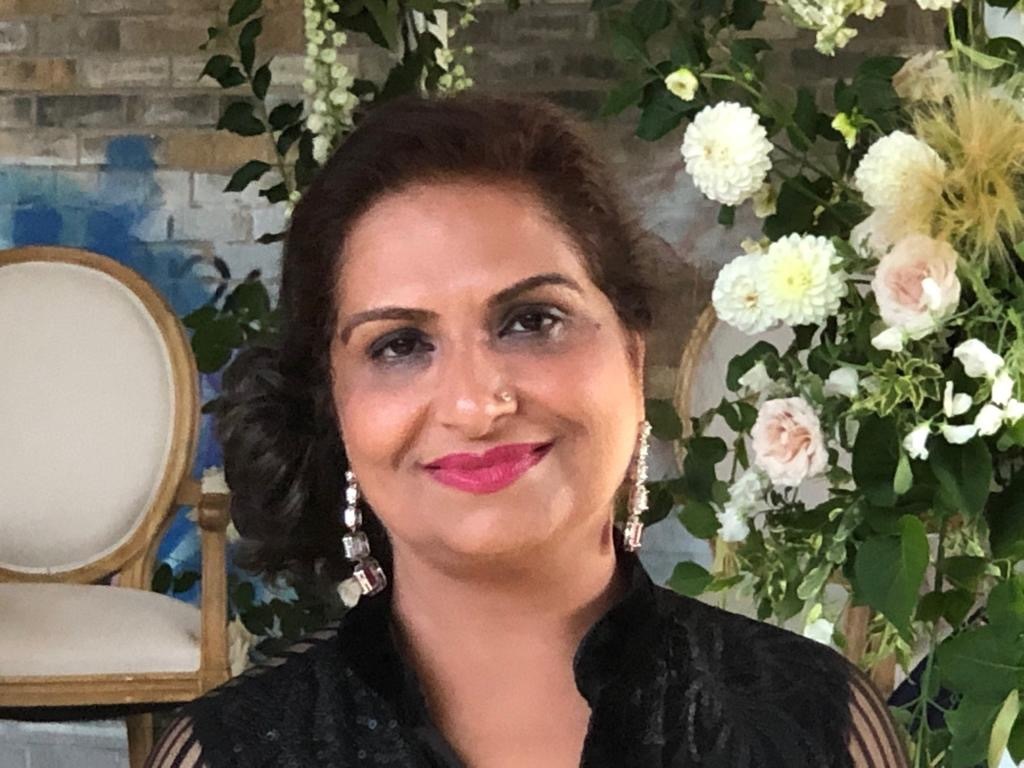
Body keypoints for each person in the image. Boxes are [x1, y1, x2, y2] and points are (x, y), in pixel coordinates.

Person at [146, 92, 907, 768]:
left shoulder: (817, 726)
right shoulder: (228, 753)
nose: (475, 404)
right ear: (334, 402)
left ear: (633, 355)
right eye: (400, 345)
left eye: (533, 321)